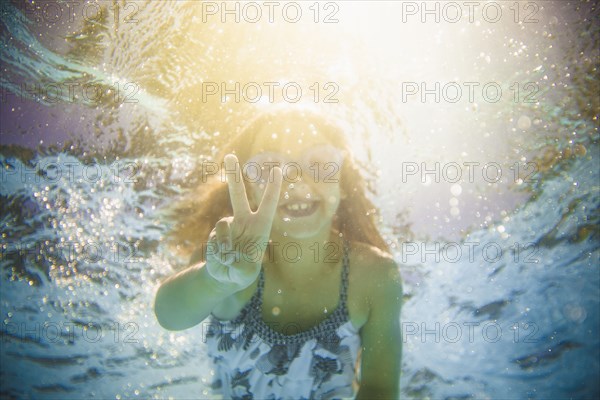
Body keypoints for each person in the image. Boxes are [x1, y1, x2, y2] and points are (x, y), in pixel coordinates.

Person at [154, 108, 403, 399]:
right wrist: (215, 281)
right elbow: (169, 315)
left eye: (320, 164)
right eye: (270, 168)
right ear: (248, 187)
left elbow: (379, 390)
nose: (296, 182)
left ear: (343, 184)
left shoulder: (375, 277)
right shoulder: (227, 257)